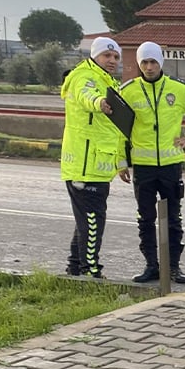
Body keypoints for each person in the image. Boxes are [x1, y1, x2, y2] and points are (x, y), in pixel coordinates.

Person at [120, 41, 185, 285]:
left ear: (161, 63)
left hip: (170, 165)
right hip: (143, 168)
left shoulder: (177, 89)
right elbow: (118, 128)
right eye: (144, 62)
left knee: (173, 219)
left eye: (153, 62)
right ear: (139, 64)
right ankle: (151, 266)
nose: (149, 67)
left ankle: (174, 267)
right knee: (145, 218)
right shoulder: (128, 91)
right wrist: (121, 161)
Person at [61, 36, 130, 278]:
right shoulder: (85, 76)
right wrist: (99, 102)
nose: (112, 60)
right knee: (92, 222)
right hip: (83, 165)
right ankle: (90, 272)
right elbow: (85, 95)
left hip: (98, 167)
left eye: (115, 57)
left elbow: (115, 129)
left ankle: (74, 268)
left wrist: (121, 163)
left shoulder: (108, 81)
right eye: (106, 56)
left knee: (86, 222)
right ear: (95, 56)